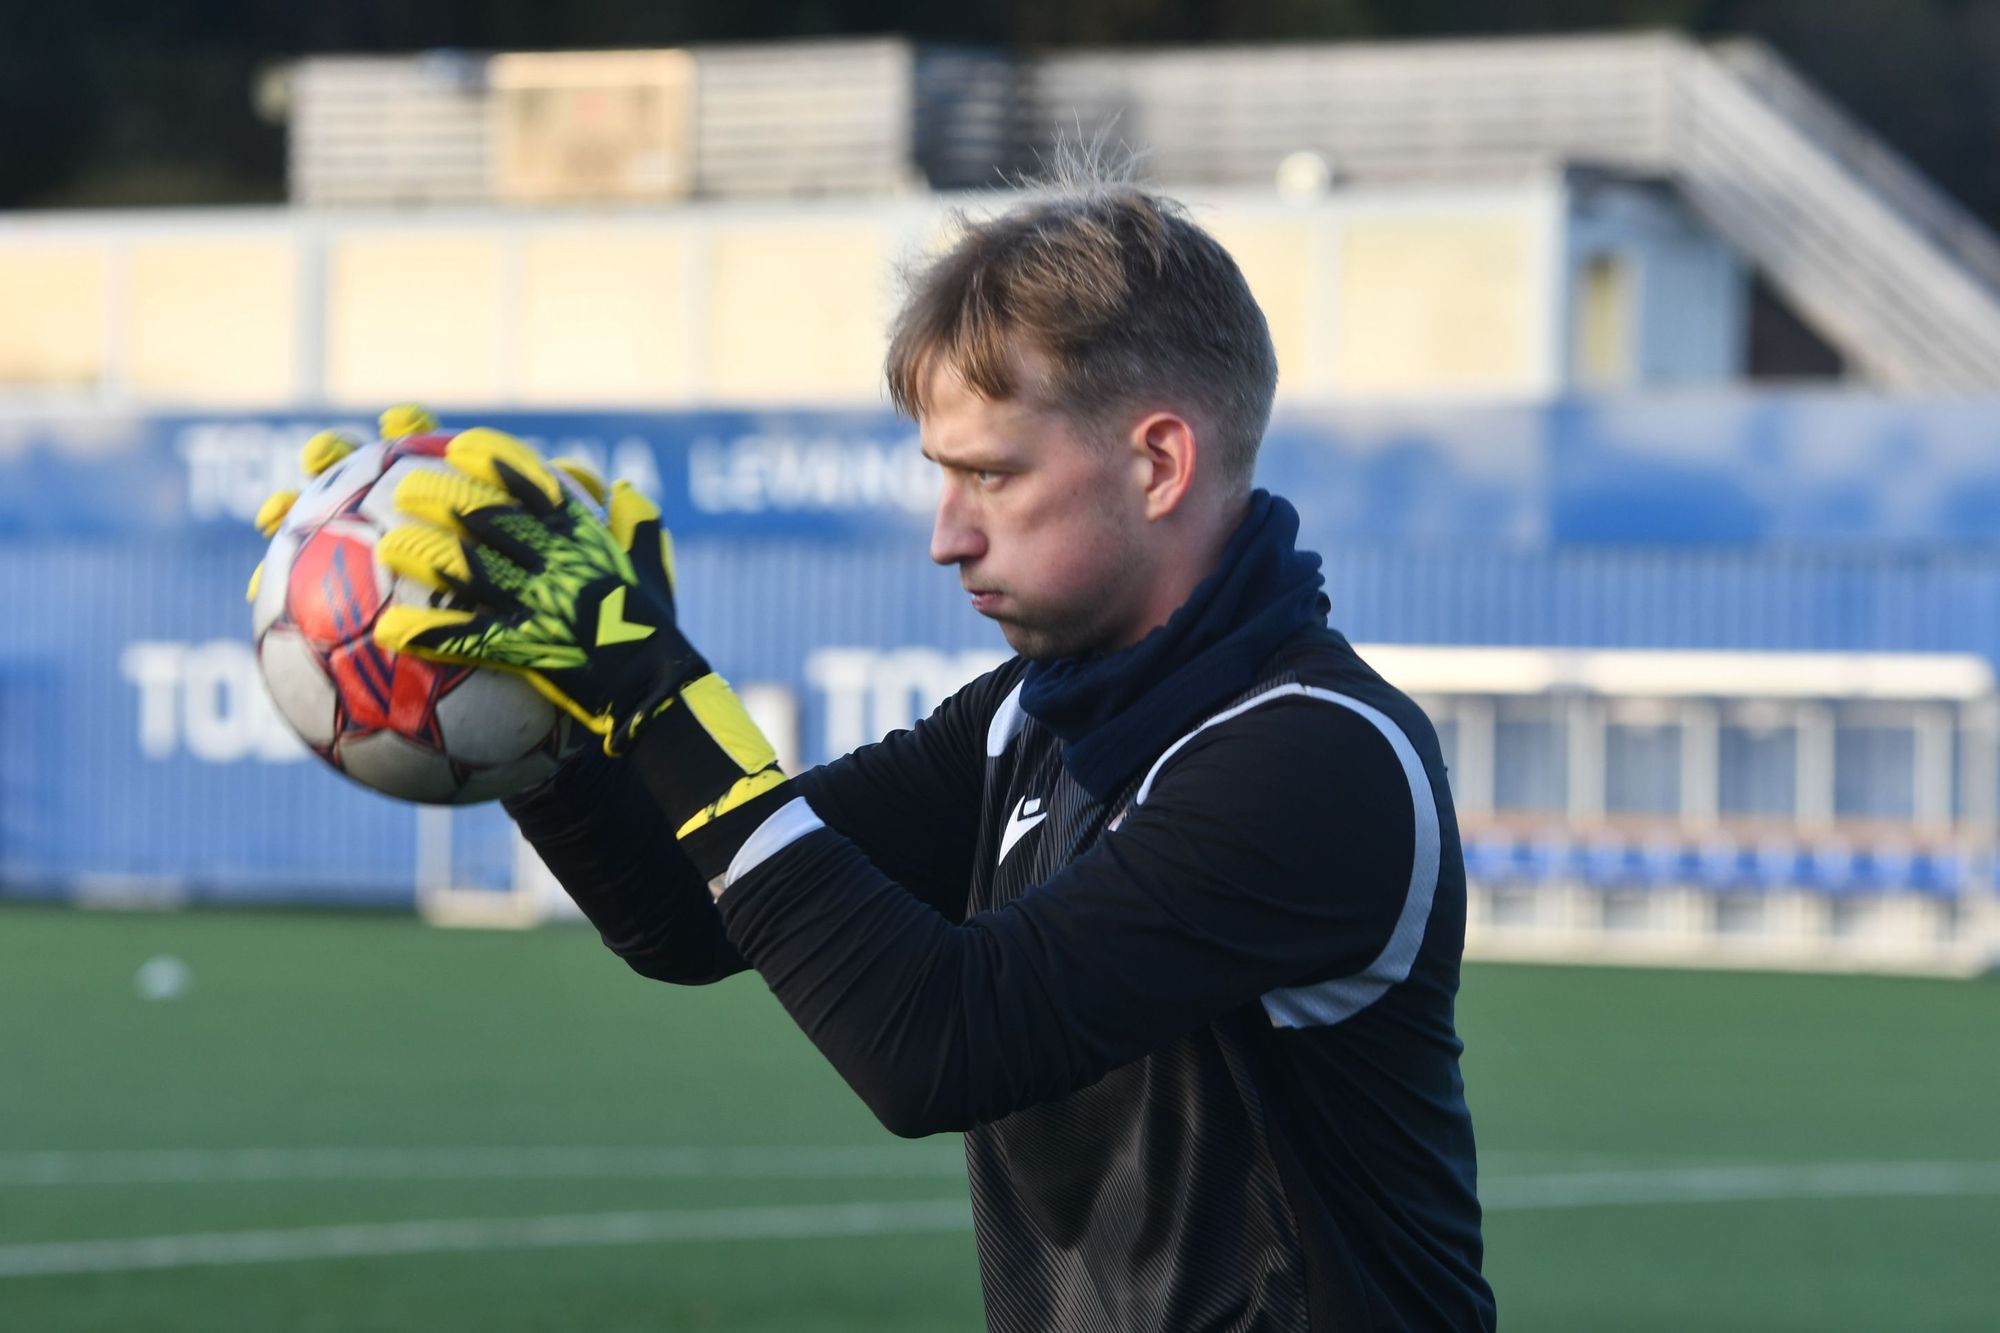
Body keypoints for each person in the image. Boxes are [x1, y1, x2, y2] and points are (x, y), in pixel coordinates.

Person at [295, 179, 1496, 1330]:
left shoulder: (1312, 761)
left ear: (1158, 462)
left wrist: (658, 694)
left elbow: (940, 1044)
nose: (945, 532)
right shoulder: (1029, 717)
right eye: (940, 473)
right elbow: (687, 918)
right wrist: (555, 725)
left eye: (991, 472)